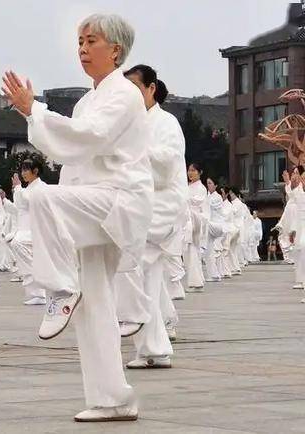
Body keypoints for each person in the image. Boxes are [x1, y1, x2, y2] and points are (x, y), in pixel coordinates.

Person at [2, 13, 152, 422]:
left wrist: (35, 110)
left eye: (91, 41)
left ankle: (59, 289)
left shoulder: (124, 94)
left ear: (115, 50)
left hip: (118, 199)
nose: (82, 49)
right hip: (94, 202)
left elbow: (89, 138)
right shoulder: (88, 101)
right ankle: (113, 398)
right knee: (96, 303)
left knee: (42, 197)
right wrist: (33, 115)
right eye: (80, 42)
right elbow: (71, 152)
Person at [119, 66, 184, 369]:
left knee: (135, 267)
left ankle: (151, 342)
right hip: (139, 205)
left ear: (151, 88)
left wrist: (134, 150)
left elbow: (167, 168)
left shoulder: (166, 122)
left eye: (135, 87)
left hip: (161, 206)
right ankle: (155, 348)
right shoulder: (131, 123)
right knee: (148, 277)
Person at [8, 159, 47, 305]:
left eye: (26, 170)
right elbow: (19, 205)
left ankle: (40, 292)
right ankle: (36, 293)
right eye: (22, 170)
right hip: (24, 228)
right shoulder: (28, 188)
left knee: (20, 245)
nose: (23, 173)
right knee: (24, 254)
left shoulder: (41, 187)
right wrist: (17, 189)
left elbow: (31, 202)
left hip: (34, 230)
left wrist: (18, 188)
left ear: (35, 171)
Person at [185, 163, 208, 291]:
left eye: (193, 170)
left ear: (200, 172)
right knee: (190, 251)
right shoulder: (188, 186)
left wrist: (184, 198)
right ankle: (197, 279)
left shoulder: (201, 188)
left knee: (191, 249)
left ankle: (196, 282)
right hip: (188, 218)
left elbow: (197, 202)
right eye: (189, 170)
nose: (190, 173)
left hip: (195, 220)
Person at [204, 177, 226, 282]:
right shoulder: (208, 196)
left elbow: (207, 207)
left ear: (215, 185)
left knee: (203, 223)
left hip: (217, 225)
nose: (208, 185)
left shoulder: (217, 197)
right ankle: (214, 274)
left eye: (210, 183)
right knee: (209, 250)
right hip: (211, 225)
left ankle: (214, 274)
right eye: (207, 183)